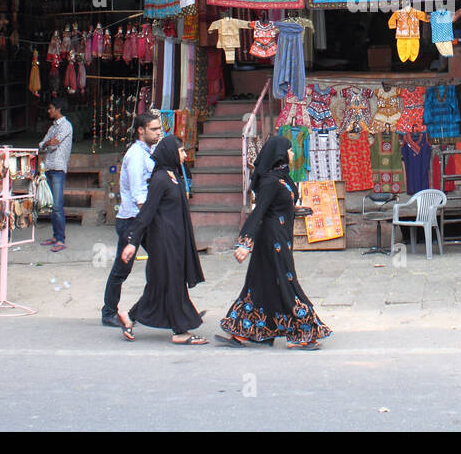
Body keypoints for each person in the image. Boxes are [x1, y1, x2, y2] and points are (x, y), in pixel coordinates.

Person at [217, 135, 332, 350]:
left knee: (260, 283)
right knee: (286, 281)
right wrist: (244, 243)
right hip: (271, 239)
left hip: (281, 236)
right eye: (289, 150)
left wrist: (295, 210)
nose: (292, 153)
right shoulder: (271, 181)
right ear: (279, 153)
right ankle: (301, 331)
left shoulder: (282, 178)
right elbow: (258, 212)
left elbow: (277, 205)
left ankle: (242, 332)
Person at [116, 134, 207, 345]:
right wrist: (132, 242)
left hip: (175, 239)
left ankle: (129, 317)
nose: (184, 155)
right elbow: (147, 212)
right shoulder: (160, 179)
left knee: (160, 283)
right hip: (164, 241)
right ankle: (179, 330)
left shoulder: (173, 175)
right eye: (181, 151)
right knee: (173, 282)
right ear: (170, 153)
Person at [101, 112, 164, 327]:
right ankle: (109, 312)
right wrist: (150, 219)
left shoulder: (149, 152)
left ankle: (157, 308)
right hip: (132, 220)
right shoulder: (136, 156)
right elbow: (139, 195)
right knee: (122, 268)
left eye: (158, 129)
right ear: (141, 130)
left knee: (162, 260)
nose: (158, 133)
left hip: (141, 218)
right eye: (154, 129)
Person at [39, 98, 73, 251]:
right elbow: (42, 145)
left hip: (58, 168)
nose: (49, 111)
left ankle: (60, 239)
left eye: (51, 108)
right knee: (53, 205)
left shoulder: (66, 126)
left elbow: (52, 145)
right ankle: (56, 236)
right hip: (49, 167)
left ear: (58, 109)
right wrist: (47, 144)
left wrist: (47, 144)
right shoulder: (53, 127)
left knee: (57, 205)